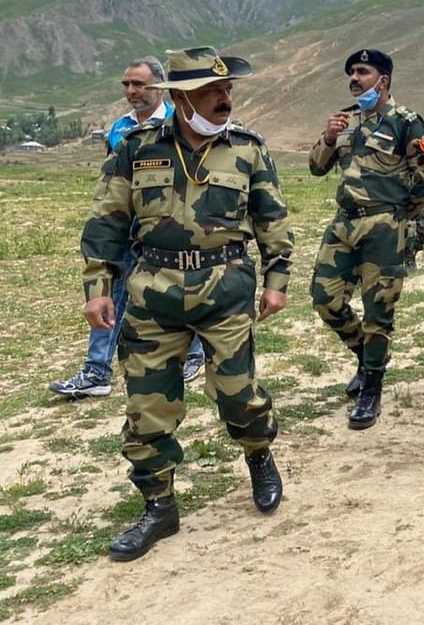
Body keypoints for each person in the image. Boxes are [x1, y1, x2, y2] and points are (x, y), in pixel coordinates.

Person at [81, 46, 294, 561]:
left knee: (237, 394)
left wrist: (277, 280)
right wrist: (98, 288)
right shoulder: (137, 148)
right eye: (210, 92)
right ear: (180, 99)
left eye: (227, 90)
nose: (225, 100)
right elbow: (107, 220)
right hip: (154, 288)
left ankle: (259, 455)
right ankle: (159, 506)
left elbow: (273, 220)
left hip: (226, 285)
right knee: (147, 406)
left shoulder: (247, 149)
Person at [50, 58, 205, 398]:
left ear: (159, 86)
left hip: (166, 227)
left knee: (182, 287)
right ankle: (97, 370)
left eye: (139, 84)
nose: (132, 91)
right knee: (111, 290)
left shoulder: (179, 124)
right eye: (127, 84)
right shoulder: (119, 127)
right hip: (124, 226)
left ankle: (194, 353)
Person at [309, 49, 424, 430]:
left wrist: (403, 219)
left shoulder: (406, 122)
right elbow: (317, 168)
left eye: (362, 72)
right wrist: (329, 137)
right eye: (351, 73)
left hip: (384, 226)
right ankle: (367, 357)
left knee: (379, 311)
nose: (354, 78)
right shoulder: (344, 120)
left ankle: (372, 390)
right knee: (324, 300)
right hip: (343, 224)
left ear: (384, 80)